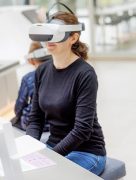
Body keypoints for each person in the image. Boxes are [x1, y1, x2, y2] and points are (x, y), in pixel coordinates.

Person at [26, 11, 106, 175]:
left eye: (57, 33)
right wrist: (29, 149)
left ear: (73, 38)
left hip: (87, 151)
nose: (50, 39)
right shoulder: (42, 71)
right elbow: (36, 119)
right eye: (49, 33)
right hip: (54, 146)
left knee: (50, 176)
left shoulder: (85, 74)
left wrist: (50, 156)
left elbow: (82, 130)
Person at [12, 42, 51, 131]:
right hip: (57, 123)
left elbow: (20, 106)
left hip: (34, 124)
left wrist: (17, 117)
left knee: (13, 122)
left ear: (32, 60)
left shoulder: (29, 78)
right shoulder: (62, 73)